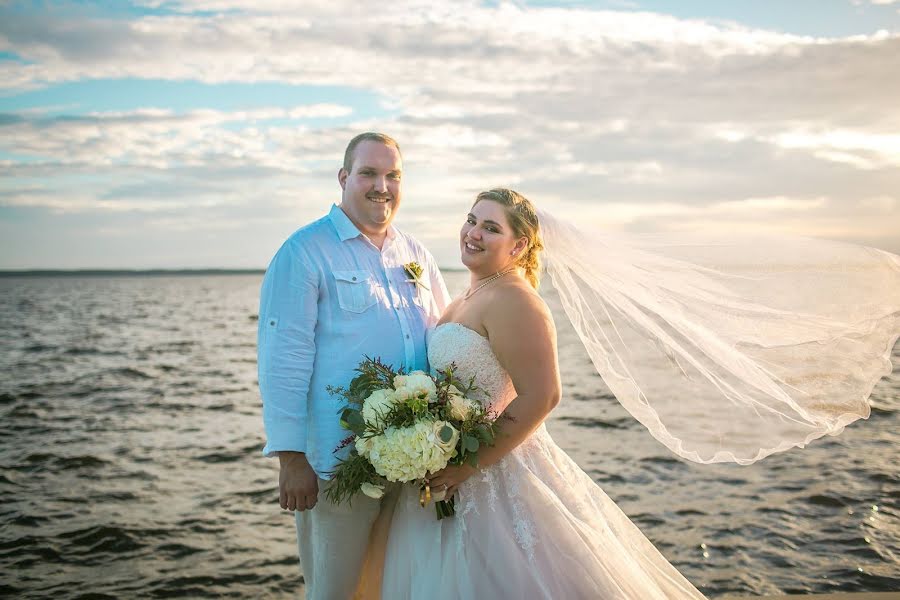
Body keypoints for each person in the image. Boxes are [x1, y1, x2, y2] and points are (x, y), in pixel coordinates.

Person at [379, 189, 708, 599]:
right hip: (452, 466)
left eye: (491, 228)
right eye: (472, 220)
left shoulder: (516, 300)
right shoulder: (470, 294)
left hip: (494, 471)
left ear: (519, 246)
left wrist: (468, 467)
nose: (473, 233)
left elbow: (544, 395)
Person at [257, 132, 450, 600]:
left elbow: (443, 338)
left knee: (396, 583)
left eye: (393, 176)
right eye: (368, 173)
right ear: (344, 178)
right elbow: (284, 359)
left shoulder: (416, 254)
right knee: (337, 589)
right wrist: (290, 458)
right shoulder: (305, 251)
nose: (381, 185)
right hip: (336, 463)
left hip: (413, 461)